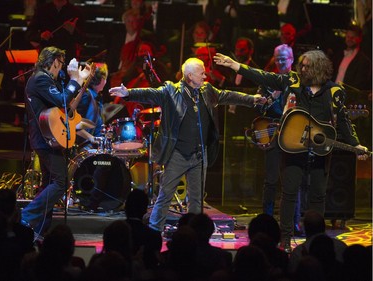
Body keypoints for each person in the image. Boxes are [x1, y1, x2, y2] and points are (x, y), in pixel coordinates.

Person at [214, 50, 369, 253]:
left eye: (306, 66)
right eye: (301, 65)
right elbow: (264, 76)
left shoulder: (334, 91)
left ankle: (316, 240)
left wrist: (355, 144)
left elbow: (343, 121)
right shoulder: (292, 81)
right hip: (292, 147)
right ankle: (285, 239)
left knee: (318, 195)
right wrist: (236, 66)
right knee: (289, 193)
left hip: (320, 150)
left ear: (319, 68)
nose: (302, 68)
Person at [109, 57, 264, 232]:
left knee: (196, 199)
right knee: (165, 195)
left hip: (199, 154)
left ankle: (195, 232)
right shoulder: (171, 91)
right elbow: (151, 94)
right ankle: (154, 231)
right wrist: (128, 93)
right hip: (178, 154)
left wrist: (252, 99)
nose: (205, 76)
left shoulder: (206, 91)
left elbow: (227, 95)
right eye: (201, 73)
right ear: (189, 75)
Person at [21, 46, 91, 236]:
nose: (60, 69)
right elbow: (61, 99)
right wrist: (75, 80)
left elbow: (64, 105)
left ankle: (40, 229)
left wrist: (79, 81)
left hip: (46, 137)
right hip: (46, 139)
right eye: (59, 65)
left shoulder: (42, 80)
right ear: (53, 62)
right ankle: (26, 217)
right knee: (60, 182)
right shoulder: (40, 79)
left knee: (49, 183)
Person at [255, 44, 303, 234]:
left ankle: (293, 222)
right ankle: (267, 221)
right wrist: (273, 96)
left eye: (284, 58)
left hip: (293, 135)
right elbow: (258, 108)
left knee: (292, 179)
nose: (281, 62)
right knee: (271, 179)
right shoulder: (267, 82)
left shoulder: (300, 82)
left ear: (292, 59)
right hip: (273, 134)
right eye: (278, 58)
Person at [332, 24, 372, 92]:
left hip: (348, 99)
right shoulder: (339, 55)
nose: (349, 39)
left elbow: (358, 86)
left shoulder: (364, 61)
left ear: (360, 38)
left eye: (353, 37)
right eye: (348, 37)